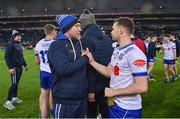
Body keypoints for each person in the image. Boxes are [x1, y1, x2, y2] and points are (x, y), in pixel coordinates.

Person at [85, 17, 148, 118]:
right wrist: (91, 61)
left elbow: (142, 87)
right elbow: (107, 71)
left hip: (127, 108)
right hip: (115, 104)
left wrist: (115, 92)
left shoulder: (135, 54)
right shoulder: (117, 50)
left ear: (121, 30)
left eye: (113, 29)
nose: (111, 32)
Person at [47, 15, 89, 118]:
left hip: (81, 98)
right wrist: (85, 59)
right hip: (65, 100)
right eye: (77, 26)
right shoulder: (56, 46)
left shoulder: (78, 44)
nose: (80, 29)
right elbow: (64, 69)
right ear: (67, 28)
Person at [79, 9, 113, 118]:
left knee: (90, 114)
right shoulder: (107, 38)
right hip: (108, 83)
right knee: (106, 112)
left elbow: (90, 67)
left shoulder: (85, 39)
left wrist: (91, 90)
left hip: (94, 85)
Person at [34, 24, 57, 118]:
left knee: (43, 94)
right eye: (55, 31)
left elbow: (37, 62)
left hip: (43, 72)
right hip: (53, 72)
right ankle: (52, 114)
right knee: (52, 93)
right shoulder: (55, 43)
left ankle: (43, 116)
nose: (56, 33)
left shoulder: (38, 44)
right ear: (52, 32)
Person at [4, 30, 28, 110]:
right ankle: (8, 101)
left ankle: (14, 98)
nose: (20, 37)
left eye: (20, 36)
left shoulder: (19, 45)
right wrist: (10, 68)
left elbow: (21, 56)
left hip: (19, 67)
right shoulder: (11, 45)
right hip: (14, 67)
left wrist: (24, 65)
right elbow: (6, 57)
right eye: (18, 36)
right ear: (14, 37)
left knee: (16, 83)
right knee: (14, 84)